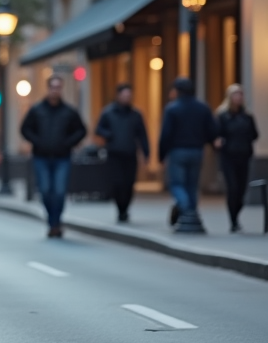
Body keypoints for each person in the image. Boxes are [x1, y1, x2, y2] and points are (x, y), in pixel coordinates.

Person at [20, 75, 87, 238]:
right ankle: (53, 221)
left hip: (62, 157)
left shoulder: (69, 111)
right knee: (45, 190)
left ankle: (55, 222)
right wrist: (37, 141)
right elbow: (24, 129)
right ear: (48, 88)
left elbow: (81, 130)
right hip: (41, 157)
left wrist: (68, 142)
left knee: (59, 190)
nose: (55, 91)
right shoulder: (37, 110)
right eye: (53, 87)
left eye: (58, 87)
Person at [158, 77, 217, 231]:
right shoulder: (203, 108)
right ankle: (192, 213)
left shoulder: (172, 109)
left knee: (177, 184)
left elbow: (166, 134)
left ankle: (186, 210)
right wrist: (211, 142)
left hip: (178, 150)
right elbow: (212, 130)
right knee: (192, 184)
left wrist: (161, 155)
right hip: (197, 150)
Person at [95, 83, 150, 223]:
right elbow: (98, 129)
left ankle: (125, 209)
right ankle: (120, 209)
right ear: (118, 95)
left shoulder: (136, 114)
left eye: (129, 95)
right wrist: (109, 135)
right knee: (117, 183)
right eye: (124, 95)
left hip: (130, 153)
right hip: (114, 154)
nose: (127, 98)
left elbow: (142, 135)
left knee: (129, 183)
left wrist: (146, 153)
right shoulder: (108, 112)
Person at [215, 84, 259, 232]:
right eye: (236, 95)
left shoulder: (247, 116)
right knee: (232, 188)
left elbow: (254, 134)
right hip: (228, 156)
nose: (238, 98)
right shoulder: (222, 116)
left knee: (241, 189)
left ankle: (236, 212)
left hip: (244, 155)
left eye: (240, 95)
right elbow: (216, 133)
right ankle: (233, 220)